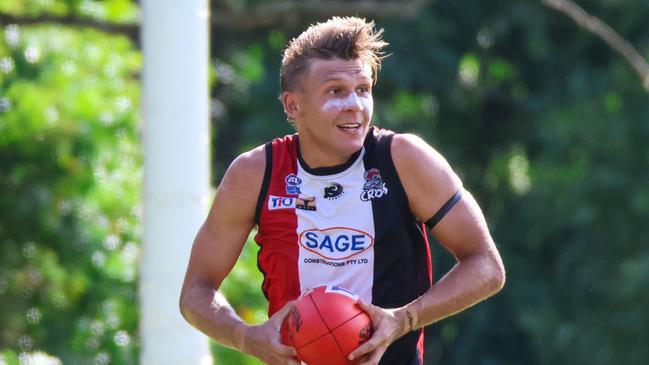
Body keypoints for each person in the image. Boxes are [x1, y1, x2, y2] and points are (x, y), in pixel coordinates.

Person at [179, 16, 505, 365]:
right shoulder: (255, 173)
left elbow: (487, 266)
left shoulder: (406, 160)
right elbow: (195, 292)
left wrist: (403, 319)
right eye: (335, 91)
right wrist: (246, 336)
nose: (355, 105)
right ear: (293, 105)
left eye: (363, 89)